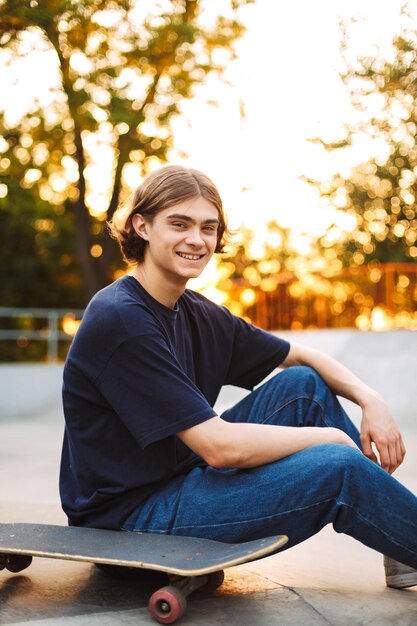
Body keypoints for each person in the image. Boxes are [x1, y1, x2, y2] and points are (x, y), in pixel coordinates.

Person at [60, 165, 417, 590]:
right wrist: (334, 440)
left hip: (178, 477)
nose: (197, 239)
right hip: (128, 521)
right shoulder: (122, 319)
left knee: (303, 386)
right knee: (337, 465)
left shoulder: (194, 309)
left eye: (208, 228)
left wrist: (369, 399)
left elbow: (299, 354)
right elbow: (220, 448)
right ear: (142, 225)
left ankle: (402, 547)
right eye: (180, 224)